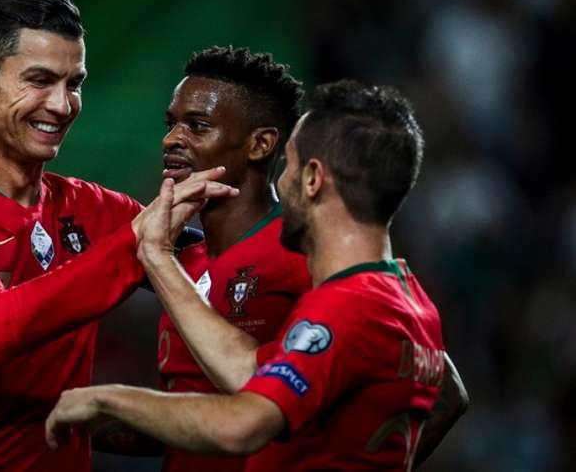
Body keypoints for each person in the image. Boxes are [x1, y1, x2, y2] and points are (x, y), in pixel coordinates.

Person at [0, 0, 235, 471]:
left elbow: (220, 289)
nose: (62, 105)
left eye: (74, 83)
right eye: (39, 80)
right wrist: (137, 243)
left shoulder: (96, 210)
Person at [47, 80, 468, 470]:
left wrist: (107, 398)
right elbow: (247, 372)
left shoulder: (347, 305)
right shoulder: (410, 300)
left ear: (313, 178)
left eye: (288, 165)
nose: (280, 182)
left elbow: (240, 424)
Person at [92, 46, 312, 472]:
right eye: (171, 124)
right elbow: (193, 423)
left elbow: (441, 397)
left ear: (260, 144)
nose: (172, 139)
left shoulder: (299, 251)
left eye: (197, 125)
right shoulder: (181, 261)